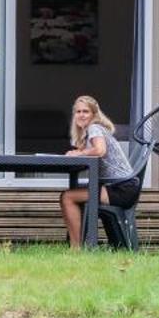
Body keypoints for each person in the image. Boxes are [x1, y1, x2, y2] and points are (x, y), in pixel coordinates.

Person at [59, 95, 140, 248]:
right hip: (119, 186)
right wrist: (80, 151)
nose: (81, 115)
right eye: (78, 112)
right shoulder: (89, 134)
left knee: (68, 197)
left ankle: (76, 249)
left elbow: (100, 151)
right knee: (71, 195)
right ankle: (77, 246)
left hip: (123, 188)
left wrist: (79, 153)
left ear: (94, 115)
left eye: (86, 111)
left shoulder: (94, 128)